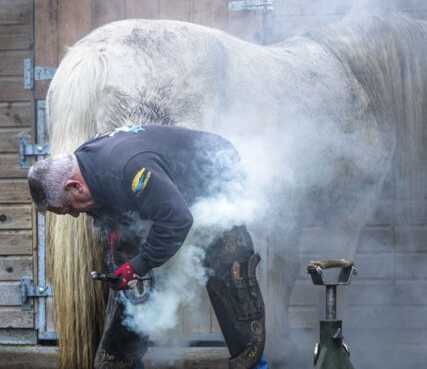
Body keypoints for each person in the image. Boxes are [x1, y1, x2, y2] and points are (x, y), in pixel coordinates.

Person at [27, 125, 267, 369]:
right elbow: (108, 206)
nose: (75, 215)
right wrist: (116, 238)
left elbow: (178, 220)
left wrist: (139, 265)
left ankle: (252, 363)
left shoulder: (130, 170)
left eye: (70, 208)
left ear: (74, 186)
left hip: (214, 179)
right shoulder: (83, 166)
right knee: (132, 282)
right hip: (165, 195)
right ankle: (121, 360)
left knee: (229, 269)